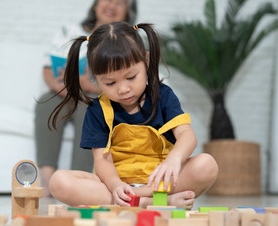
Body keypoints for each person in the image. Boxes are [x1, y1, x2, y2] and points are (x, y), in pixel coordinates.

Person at [47, 22, 219, 209]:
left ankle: (135, 200)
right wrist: (115, 185)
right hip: (118, 186)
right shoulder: (98, 110)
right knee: (59, 181)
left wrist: (174, 159)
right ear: (96, 79)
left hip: (160, 182)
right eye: (110, 83)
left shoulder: (163, 96)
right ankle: (155, 202)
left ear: (146, 62)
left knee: (207, 165)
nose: (123, 89)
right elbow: (102, 160)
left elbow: (187, 135)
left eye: (131, 77)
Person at [35, 0, 138, 197]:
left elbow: (126, 82)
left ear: (127, 12)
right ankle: (47, 181)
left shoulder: (125, 40)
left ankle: (78, 179)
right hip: (64, 91)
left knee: (89, 109)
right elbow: (48, 68)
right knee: (47, 102)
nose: (112, 5)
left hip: (96, 94)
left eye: (121, 3)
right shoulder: (69, 31)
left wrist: (86, 85)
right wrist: (62, 87)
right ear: (95, 4)